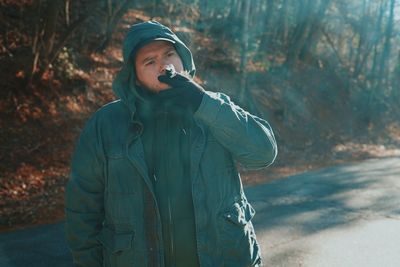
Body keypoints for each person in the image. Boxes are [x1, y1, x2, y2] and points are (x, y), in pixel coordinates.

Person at [65, 20, 277, 267]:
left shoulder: (215, 107)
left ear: (183, 59)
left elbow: (263, 153)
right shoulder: (106, 124)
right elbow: (82, 211)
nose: (165, 66)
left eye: (169, 54)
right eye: (150, 61)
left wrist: (201, 103)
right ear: (135, 77)